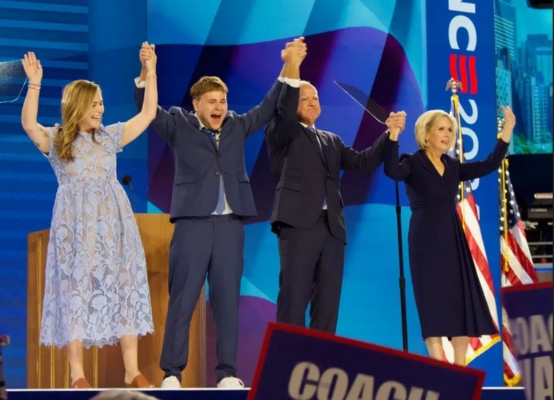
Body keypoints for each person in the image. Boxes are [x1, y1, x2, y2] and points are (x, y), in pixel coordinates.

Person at [135, 40, 307, 388]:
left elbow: (271, 104)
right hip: (192, 226)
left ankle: (227, 374)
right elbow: (146, 108)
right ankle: (172, 372)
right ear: (196, 104)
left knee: (228, 303)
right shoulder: (179, 124)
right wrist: (147, 71)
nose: (219, 107)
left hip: (230, 227)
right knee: (183, 301)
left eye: (222, 101)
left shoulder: (237, 126)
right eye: (211, 102)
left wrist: (289, 65)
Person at [20, 44, 158, 388]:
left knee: (123, 286)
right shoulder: (58, 139)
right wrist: (35, 84)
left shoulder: (110, 136)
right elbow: (28, 124)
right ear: (79, 105)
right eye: (95, 103)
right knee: (76, 291)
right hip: (76, 229)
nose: (101, 108)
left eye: (101, 103)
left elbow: (148, 114)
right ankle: (77, 374)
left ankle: (132, 370)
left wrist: (151, 72)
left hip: (114, 226)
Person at [264, 54, 406, 334]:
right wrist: (293, 68)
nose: (312, 102)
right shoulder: (281, 132)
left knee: (327, 305)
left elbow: (363, 162)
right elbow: (282, 109)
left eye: (315, 98)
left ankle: (319, 367)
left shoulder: (331, 140)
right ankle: (286, 366)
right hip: (298, 225)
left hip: (332, 229)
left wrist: (390, 134)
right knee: (293, 301)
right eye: (304, 99)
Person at [382, 107, 515, 365]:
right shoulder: (412, 161)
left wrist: (506, 132)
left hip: (452, 235)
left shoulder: (453, 165)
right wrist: (393, 135)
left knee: (459, 299)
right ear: (426, 133)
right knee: (430, 298)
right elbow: (391, 171)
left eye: (450, 130)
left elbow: (488, 164)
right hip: (424, 238)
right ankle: (438, 366)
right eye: (441, 129)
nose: (447, 134)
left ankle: (458, 365)